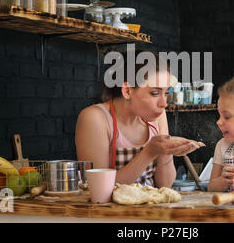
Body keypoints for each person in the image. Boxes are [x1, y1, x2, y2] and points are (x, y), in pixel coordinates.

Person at [75, 50, 201, 188]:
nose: (164, 103)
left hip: (150, 207)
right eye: (155, 93)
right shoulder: (95, 118)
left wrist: (166, 151)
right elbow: (98, 187)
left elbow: (164, 184)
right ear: (128, 91)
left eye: (167, 93)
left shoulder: (157, 115)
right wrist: (150, 152)